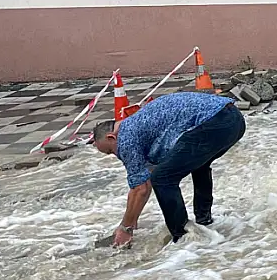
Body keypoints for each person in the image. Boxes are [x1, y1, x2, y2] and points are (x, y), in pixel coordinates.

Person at [92, 92, 247, 246]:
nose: (115, 155)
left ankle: (184, 239)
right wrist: (132, 218)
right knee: (198, 165)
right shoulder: (136, 124)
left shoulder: (125, 138)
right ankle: (205, 221)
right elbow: (144, 180)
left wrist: (126, 228)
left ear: (111, 138)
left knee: (163, 179)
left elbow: (141, 188)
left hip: (215, 121)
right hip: (234, 119)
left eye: (110, 151)